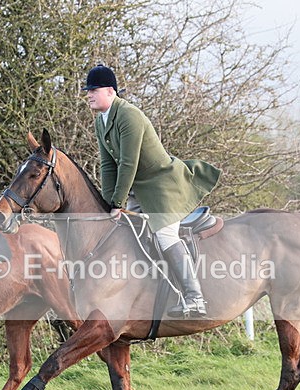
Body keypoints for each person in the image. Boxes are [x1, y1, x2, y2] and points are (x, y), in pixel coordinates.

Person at [83, 65, 221, 317]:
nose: (88, 94)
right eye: (87, 91)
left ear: (111, 92)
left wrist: (117, 202)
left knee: (165, 235)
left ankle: (195, 298)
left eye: (93, 90)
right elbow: (107, 165)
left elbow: (128, 163)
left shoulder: (128, 115)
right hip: (138, 189)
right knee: (127, 235)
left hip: (161, 187)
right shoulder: (100, 122)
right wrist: (106, 203)